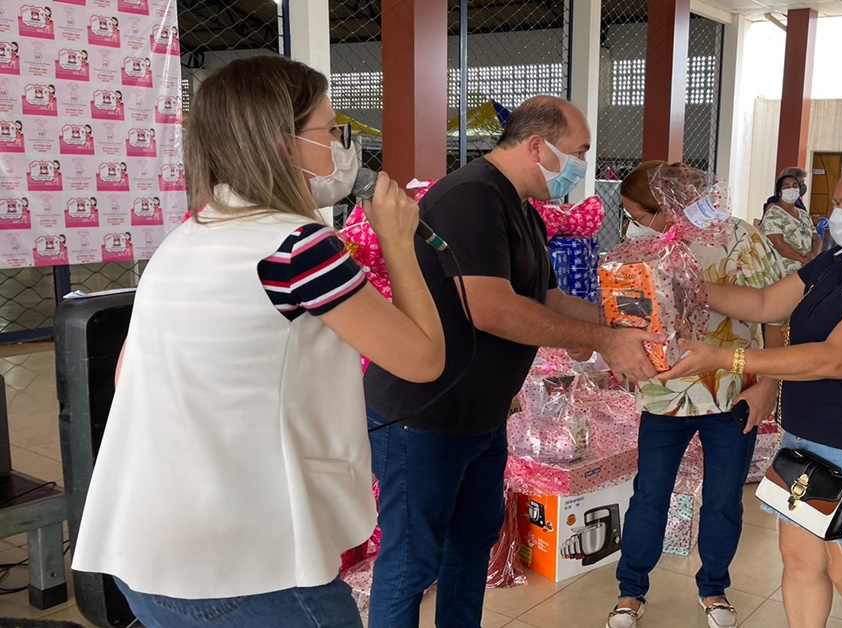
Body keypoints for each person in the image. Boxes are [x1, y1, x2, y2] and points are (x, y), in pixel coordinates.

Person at [71, 55, 446, 627]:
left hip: (145, 549)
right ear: (282, 143)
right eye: (328, 131)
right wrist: (397, 242)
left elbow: (131, 373)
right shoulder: (297, 247)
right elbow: (422, 359)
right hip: (240, 566)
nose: (340, 148)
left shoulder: (189, 235)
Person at [363, 96, 658, 628]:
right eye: (579, 153)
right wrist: (601, 338)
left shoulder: (522, 208)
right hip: (425, 416)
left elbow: (544, 296)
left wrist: (617, 327)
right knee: (412, 563)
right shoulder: (472, 197)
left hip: (482, 415)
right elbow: (491, 309)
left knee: (473, 541)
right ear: (536, 145)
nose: (582, 168)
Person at [660, 149, 842, 628]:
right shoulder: (841, 259)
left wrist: (727, 357)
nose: (836, 215)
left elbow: (834, 358)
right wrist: (681, 286)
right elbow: (764, 302)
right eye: (836, 203)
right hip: (804, 442)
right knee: (799, 561)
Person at [605, 161, 785, 628]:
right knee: (650, 495)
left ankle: (714, 588)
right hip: (666, 394)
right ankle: (631, 591)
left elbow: (776, 315)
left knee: (724, 497)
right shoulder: (644, 250)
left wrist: (770, 383)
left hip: (734, 391)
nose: (634, 224)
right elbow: (632, 316)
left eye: (638, 215)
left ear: (664, 206)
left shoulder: (741, 238)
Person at [762, 167, 822, 275]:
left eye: (795, 186)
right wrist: (803, 259)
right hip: (784, 271)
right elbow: (778, 244)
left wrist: (814, 256)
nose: (791, 190)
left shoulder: (802, 213)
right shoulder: (773, 212)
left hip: (807, 269)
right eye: (786, 187)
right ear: (779, 192)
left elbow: (816, 239)